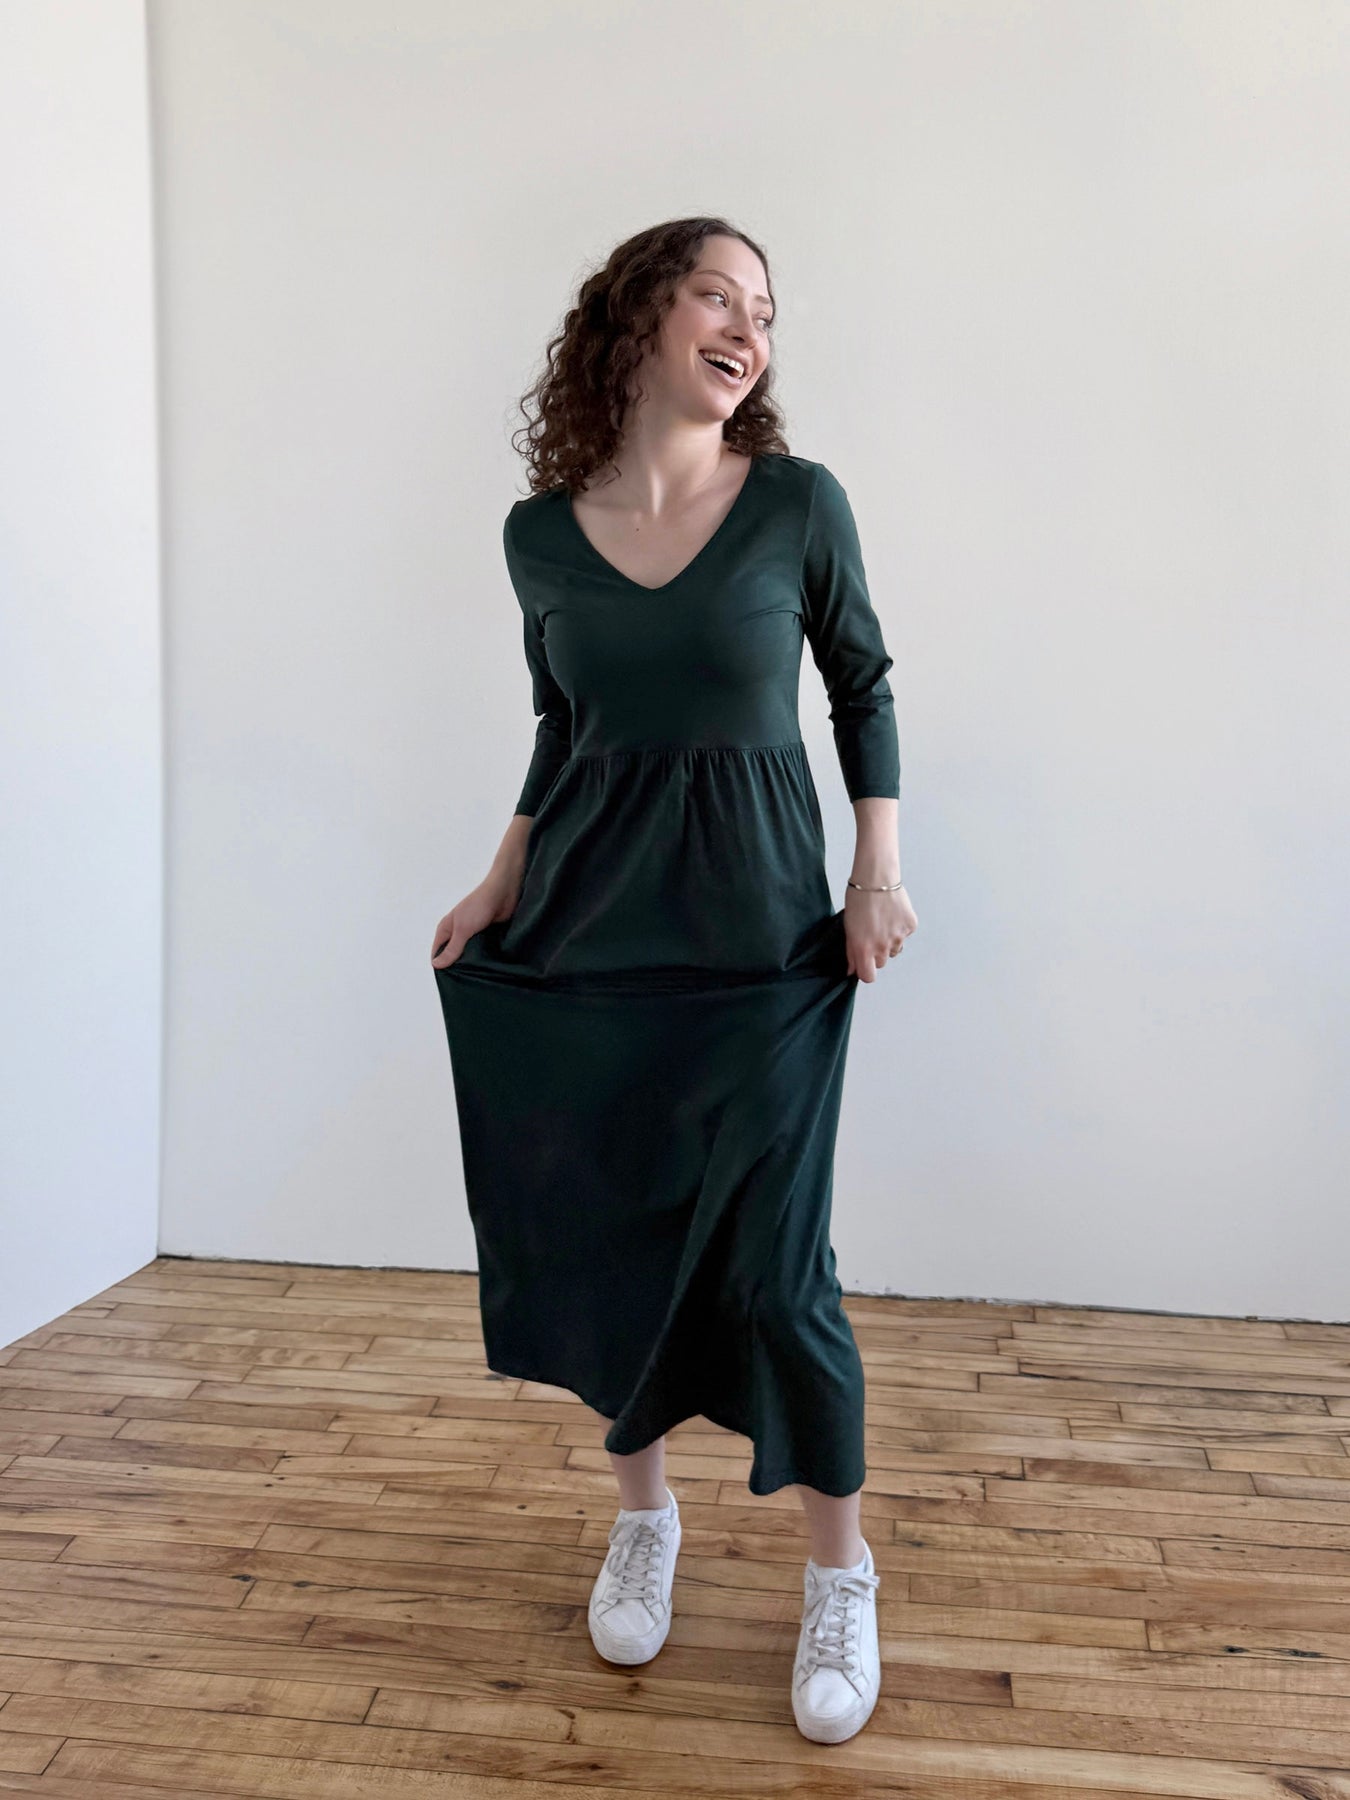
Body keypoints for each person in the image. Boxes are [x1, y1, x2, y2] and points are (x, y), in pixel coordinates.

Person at [431, 216, 917, 1745]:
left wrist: (874, 867)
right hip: (588, 926)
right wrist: (502, 874)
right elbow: (560, 723)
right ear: (640, 313)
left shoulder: (795, 503)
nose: (750, 328)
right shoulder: (536, 534)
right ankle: (643, 1519)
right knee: (609, 1232)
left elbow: (860, 682)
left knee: (778, 1272)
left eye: (765, 310)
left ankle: (839, 1575)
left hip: (762, 939)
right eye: (720, 294)